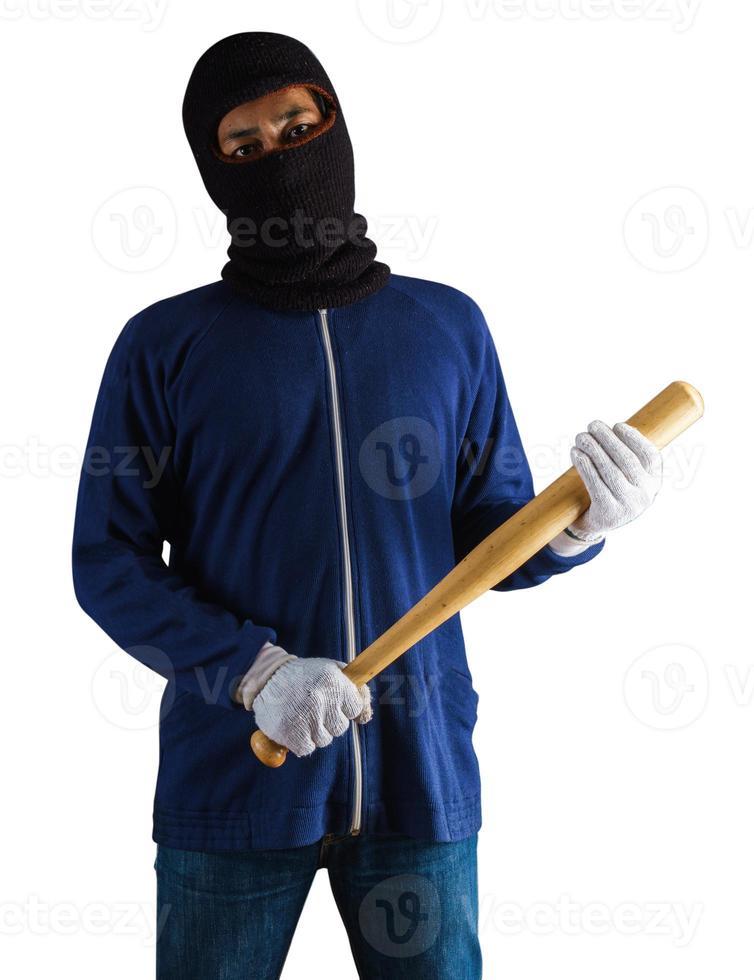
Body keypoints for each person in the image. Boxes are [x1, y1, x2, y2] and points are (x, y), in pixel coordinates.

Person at [72, 31, 663, 980]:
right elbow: (108, 561)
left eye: (298, 126)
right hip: (234, 777)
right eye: (246, 146)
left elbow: (491, 527)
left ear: (337, 127)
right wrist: (255, 673)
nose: (279, 156)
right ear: (212, 170)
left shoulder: (445, 326)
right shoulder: (164, 346)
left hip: (418, 775)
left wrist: (579, 525)